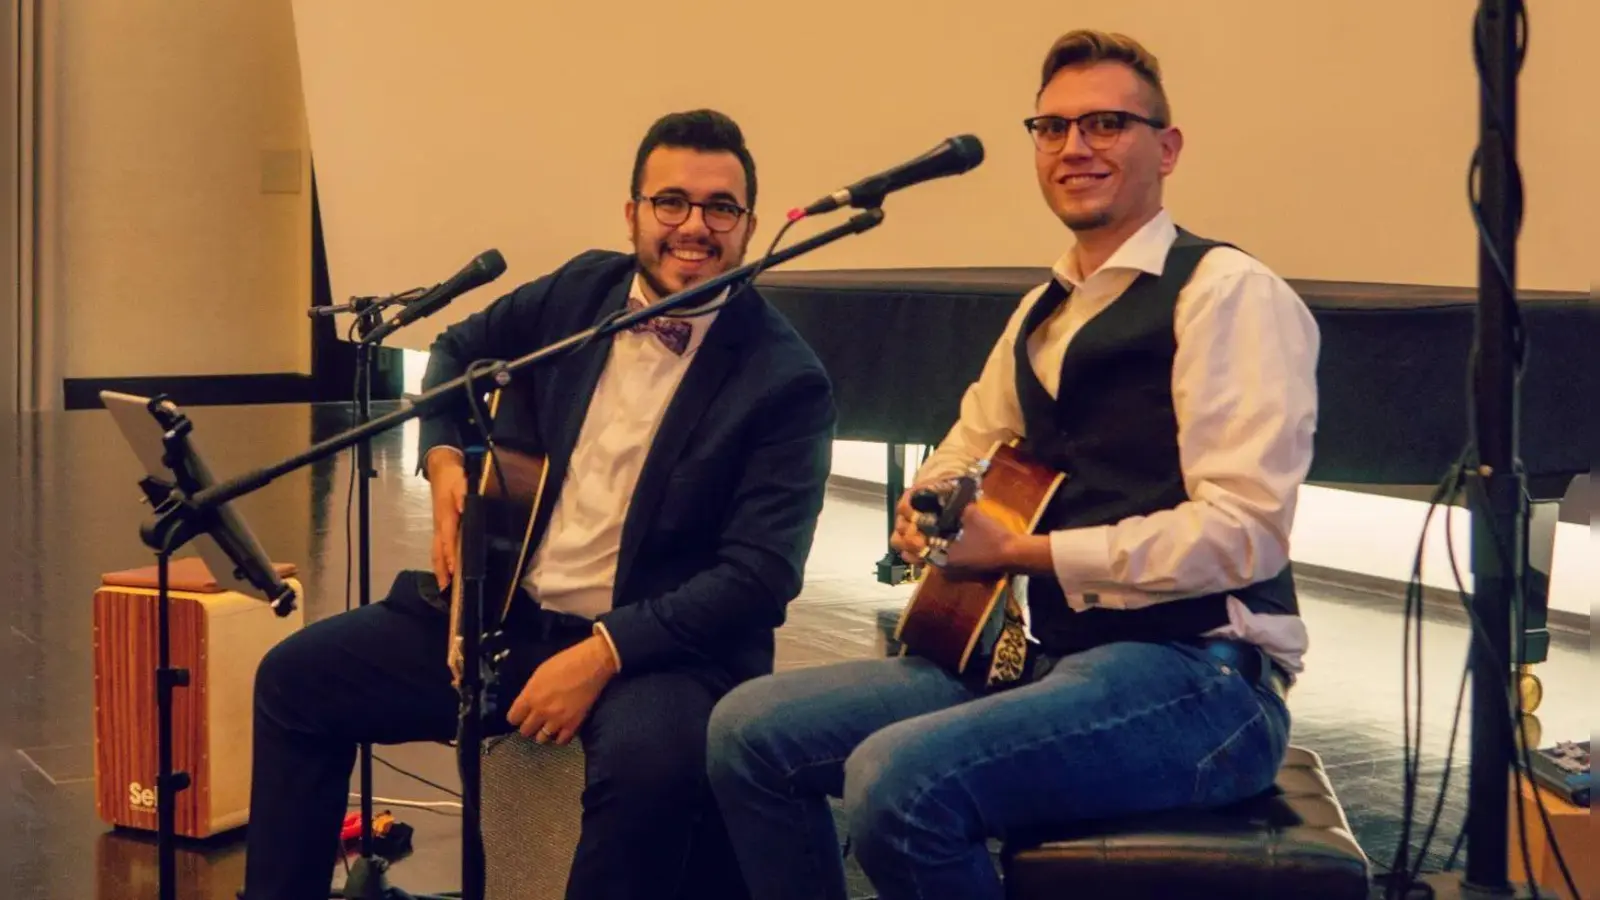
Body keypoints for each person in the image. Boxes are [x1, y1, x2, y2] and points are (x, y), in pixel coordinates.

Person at [705, 29, 1320, 900]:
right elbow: (967, 444)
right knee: (747, 729)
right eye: (1053, 127)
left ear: (1167, 148)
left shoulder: (1228, 294)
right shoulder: (1044, 310)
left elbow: (1244, 536)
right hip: (1050, 661)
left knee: (897, 780)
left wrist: (1023, 555)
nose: (1075, 147)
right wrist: (930, 502)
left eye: (1107, 124)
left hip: (1202, 681)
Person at [241, 109, 836, 900]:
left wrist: (602, 654)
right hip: (505, 617)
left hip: (657, 656)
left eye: (720, 208)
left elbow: (759, 577)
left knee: (650, 771)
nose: (695, 227)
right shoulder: (580, 291)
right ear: (632, 215)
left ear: (749, 227)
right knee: (294, 681)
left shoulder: (784, 379)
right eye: (671, 202)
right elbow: (454, 351)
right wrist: (446, 461)